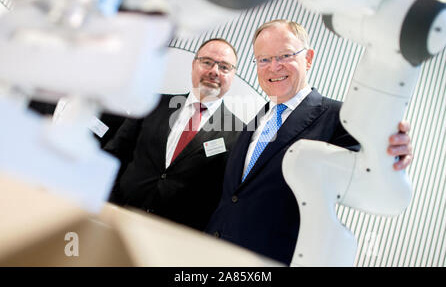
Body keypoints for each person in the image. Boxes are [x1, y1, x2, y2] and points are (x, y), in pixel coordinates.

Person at [205, 19, 413, 265]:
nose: (273, 67)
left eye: (284, 55)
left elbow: (373, 167)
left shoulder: (341, 118)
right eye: (264, 59)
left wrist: (392, 150)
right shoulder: (256, 120)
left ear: (309, 58)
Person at [104, 38, 244, 231]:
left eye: (224, 67)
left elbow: (223, 196)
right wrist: (109, 201)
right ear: (194, 64)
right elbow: (115, 153)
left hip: (175, 237)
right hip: (118, 218)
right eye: (207, 62)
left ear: (232, 75)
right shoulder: (152, 104)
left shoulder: (239, 134)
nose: (214, 71)